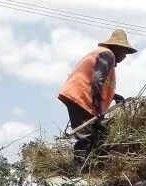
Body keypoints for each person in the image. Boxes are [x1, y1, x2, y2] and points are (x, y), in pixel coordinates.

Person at [57, 29, 137, 173]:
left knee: (98, 136)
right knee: (85, 137)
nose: (125, 56)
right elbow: (96, 79)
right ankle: (78, 175)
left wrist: (114, 96)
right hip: (81, 97)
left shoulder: (105, 56)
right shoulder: (108, 55)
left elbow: (97, 81)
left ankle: (90, 172)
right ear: (116, 48)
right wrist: (98, 109)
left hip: (82, 98)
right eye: (124, 51)